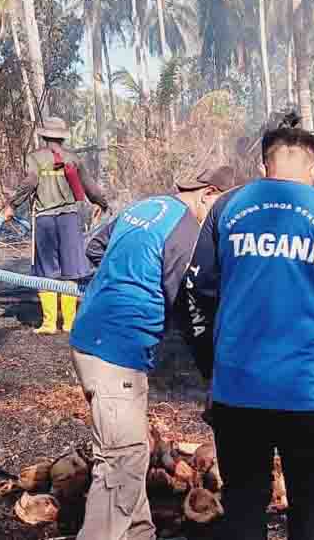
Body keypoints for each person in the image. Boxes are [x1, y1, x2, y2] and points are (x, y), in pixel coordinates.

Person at [175, 114, 314, 540]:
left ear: (264, 167)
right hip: (311, 392)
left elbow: (197, 291)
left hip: (238, 390)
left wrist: (212, 367)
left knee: (244, 508)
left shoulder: (227, 207)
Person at [68, 165, 236, 540]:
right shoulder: (187, 233)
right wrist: (214, 374)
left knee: (130, 452)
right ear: (209, 194)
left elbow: (94, 248)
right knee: (120, 464)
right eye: (223, 210)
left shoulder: (144, 207)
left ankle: (140, 534)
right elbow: (190, 308)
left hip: (90, 340)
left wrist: (123, 279)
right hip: (117, 353)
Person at [5, 116, 108, 334]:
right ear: (62, 137)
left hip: (45, 221)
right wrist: (101, 203)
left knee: (45, 271)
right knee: (71, 271)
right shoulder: (73, 158)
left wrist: (12, 205)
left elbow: (30, 182)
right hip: (69, 220)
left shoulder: (35, 158)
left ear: (44, 136)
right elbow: (89, 186)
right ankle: (69, 323)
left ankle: (49, 323)